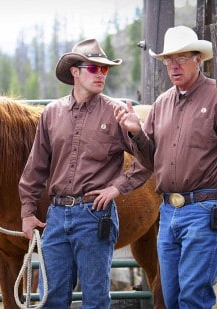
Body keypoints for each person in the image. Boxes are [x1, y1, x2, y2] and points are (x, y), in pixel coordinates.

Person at [114, 25, 217, 308]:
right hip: (169, 212)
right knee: (170, 296)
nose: (174, 65)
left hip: (205, 211)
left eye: (182, 58)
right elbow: (149, 161)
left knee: (193, 296)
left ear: (199, 59)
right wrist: (135, 131)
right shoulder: (161, 103)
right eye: (169, 60)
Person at [19, 38, 152, 308]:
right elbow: (36, 166)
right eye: (94, 68)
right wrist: (28, 212)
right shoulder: (52, 113)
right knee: (50, 298)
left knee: (95, 298)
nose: (101, 74)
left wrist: (118, 186)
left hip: (95, 215)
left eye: (105, 69)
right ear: (75, 72)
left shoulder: (116, 111)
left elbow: (148, 160)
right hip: (55, 216)